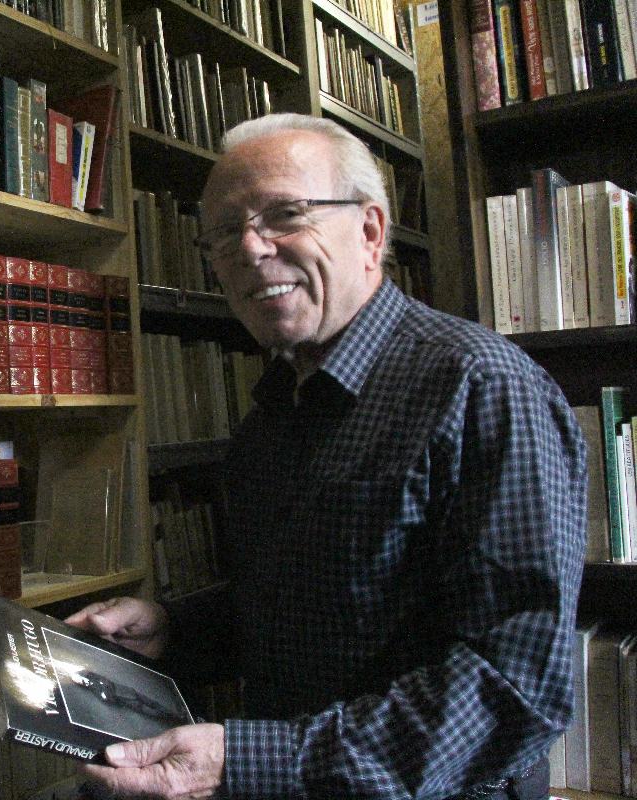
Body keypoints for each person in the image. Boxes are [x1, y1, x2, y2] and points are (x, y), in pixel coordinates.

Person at [66, 113, 587, 800]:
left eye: (284, 214)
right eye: (223, 233)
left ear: (370, 232)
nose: (250, 249)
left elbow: (513, 688)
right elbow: (305, 601)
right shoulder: (272, 412)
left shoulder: (483, 388)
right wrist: (176, 630)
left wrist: (249, 762)